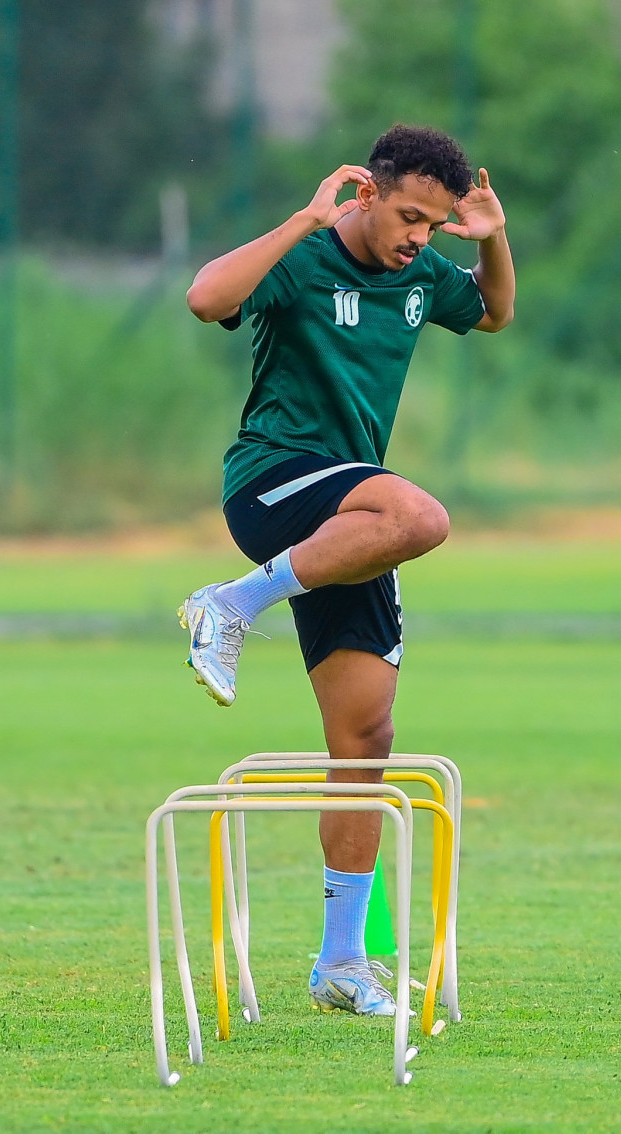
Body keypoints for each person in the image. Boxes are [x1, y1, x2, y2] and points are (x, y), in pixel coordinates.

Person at [179, 124, 514, 1016]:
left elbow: (492, 311)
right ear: (367, 193)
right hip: (276, 480)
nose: (417, 237)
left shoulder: (420, 270)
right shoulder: (306, 255)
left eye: (433, 226)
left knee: (365, 741)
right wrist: (302, 219)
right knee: (421, 516)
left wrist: (492, 238)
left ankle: (338, 964)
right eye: (409, 216)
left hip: (352, 521)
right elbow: (205, 296)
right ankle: (231, 604)